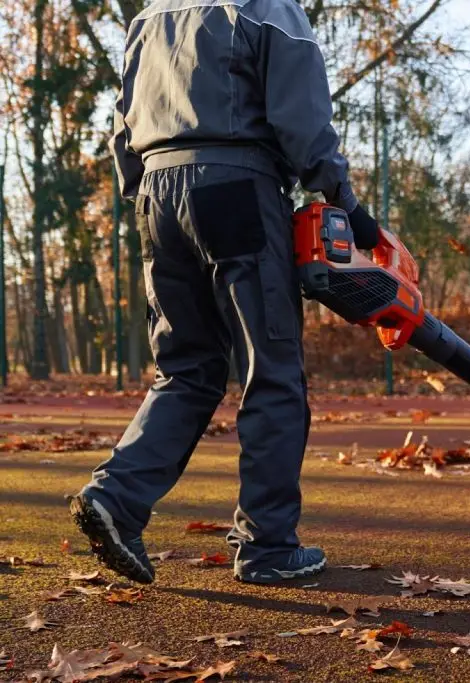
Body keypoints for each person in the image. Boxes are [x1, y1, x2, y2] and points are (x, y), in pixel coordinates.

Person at [69, 0, 380, 585]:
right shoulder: (270, 7)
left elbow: (122, 128)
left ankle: (116, 498)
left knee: (185, 369)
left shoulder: (148, 18)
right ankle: (268, 547)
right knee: (272, 370)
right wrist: (350, 208)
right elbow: (303, 120)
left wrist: (147, 194)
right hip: (238, 185)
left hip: (155, 195)